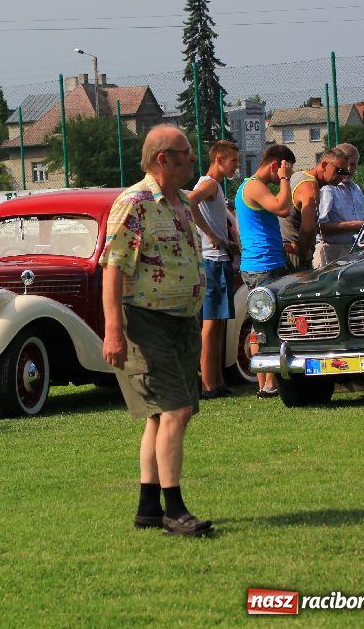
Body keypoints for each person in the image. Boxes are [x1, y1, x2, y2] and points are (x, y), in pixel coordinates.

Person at [100, 125, 212, 537]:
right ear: (162, 159)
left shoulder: (181, 201)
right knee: (176, 412)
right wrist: (113, 331)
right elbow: (112, 269)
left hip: (182, 323)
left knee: (158, 417)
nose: (191, 158)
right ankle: (174, 509)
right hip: (145, 323)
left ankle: (148, 507)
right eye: (184, 152)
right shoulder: (135, 204)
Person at [236, 144, 297, 398]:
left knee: (260, 325)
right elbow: (284, 208)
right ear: (275, 165)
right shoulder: (253, 186)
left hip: (263, 263)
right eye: (284, 171)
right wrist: (284, 180)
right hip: (263, 266)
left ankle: (264, 384)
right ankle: (268, 382)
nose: (284, 177)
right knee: (270, 326)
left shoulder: (249, 187)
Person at [188, 140, 241, 399]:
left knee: (219, 323)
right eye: (233, 161)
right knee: (211, 324)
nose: (237, 166)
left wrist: (226, 241)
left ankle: (217, 380)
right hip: (211, 261)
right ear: (219, 160)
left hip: (219, 258)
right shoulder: (208, 183)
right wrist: (211, 235)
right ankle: (209, 384)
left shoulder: (215, 187)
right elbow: (190, 202)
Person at [279, 148, 349, 271]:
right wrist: (304, 256)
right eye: (339, 171)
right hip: (295, 254)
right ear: (324, 165)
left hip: (285, 248)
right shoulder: (310, 188)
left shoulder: (299, 175)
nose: (342, 176)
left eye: (345, 172)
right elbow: (307, 229)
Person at [314, 143, 364, 268]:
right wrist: (355, 225)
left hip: (352, 249)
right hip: (330, 251)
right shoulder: (329, 188)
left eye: (352, 164)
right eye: (344, 165)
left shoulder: (356, 189)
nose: (348, 169)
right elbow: (320, 226)